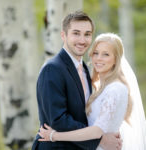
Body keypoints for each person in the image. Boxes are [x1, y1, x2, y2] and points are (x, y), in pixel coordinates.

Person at [38, 33, 146, 150]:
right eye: (96, 53)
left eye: (106, 54)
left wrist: (55, 136)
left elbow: (96, 131)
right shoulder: (102, 87)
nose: (98, 58)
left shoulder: (116, 89)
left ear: (116, 59)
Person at [32, 11, 122, 150]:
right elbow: (58, 121)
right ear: (63, 35)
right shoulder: (53, 69)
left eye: (87, 34)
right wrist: (99, 140)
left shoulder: (85, 69)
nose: (82, 40)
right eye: (76, 33)